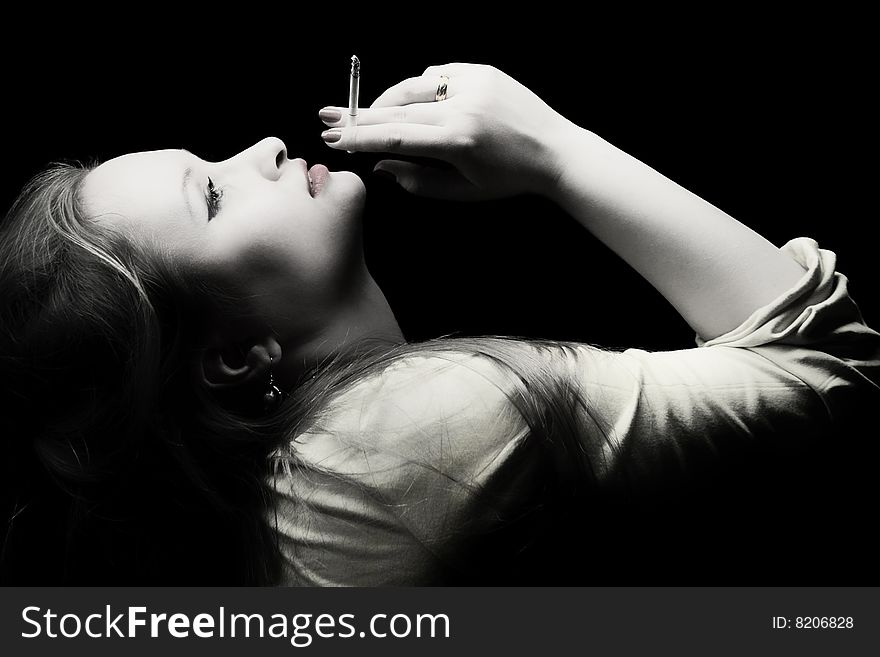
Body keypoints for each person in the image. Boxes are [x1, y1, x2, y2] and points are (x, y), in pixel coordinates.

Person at [0, 63, 877, 586]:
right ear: (235, 354)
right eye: (215, 195)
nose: (265, 146)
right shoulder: (397, 431)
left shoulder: (318, 465)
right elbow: (824, 365)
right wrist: (549, 147)